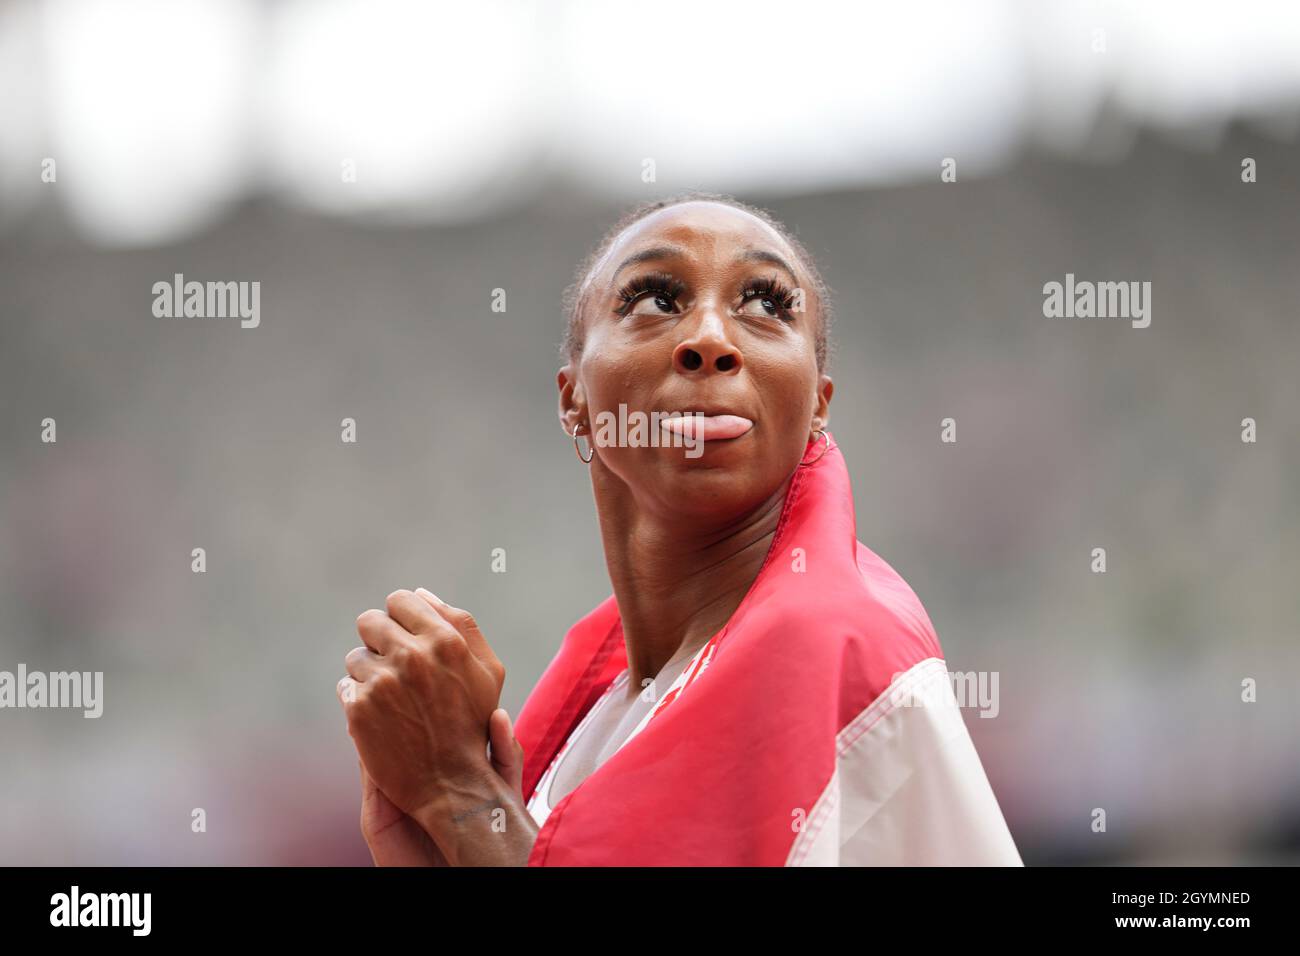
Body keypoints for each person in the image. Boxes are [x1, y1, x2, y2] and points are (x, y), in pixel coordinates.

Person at [336, 192, 1023, 866]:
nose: (710, 340)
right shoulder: (588, 716)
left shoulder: (855, 658)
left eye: (765, 305)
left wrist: (458, 794)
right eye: (655, 300)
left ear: (818, 404)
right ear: (573, 399)